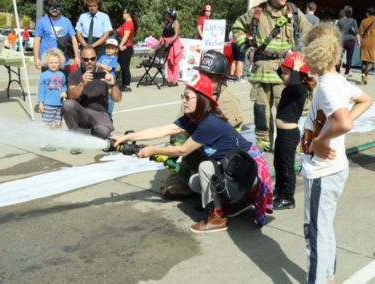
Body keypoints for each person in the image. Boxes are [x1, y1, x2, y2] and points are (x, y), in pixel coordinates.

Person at [111, 73, 272, 233]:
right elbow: (161, 131)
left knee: (205, 168)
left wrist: (152, 149)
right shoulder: (193, 118)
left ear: (201, 99)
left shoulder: (210, 123)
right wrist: (126, 137)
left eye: (188, 97)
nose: (183, 101)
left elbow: (183, 149)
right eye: (184, 96)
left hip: (248, 173)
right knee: (195, 183)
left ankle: (217, 218)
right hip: (233, 170)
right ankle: (235, 203)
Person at [300, 23, 372, 284]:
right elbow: (366, 99)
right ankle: (328, 277)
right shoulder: (336, 81)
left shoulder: (329, 86)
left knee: (314, 233)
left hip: (322, 172)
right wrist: (331, 133)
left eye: (306, 51)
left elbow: (345, 122)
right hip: (331, 170)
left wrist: (320, 140)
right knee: (323, 228)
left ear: (316, 54)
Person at [159, 50, 244, 200]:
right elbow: (179, 126)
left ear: (222, 79)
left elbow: (217, 140)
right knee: (169, 191)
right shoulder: (195, 94)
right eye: (203, 75)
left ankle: (211, 196)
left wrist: (179, 149)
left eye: (210, 77)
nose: (205, 80)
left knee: (210, 191)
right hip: (194, 155)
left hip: (220, 160)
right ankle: (198, 184)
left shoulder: (228, 102)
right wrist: (173, 148)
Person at [232, 0, 312, 153]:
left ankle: (289, 144)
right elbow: (237, 27)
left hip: (285, 71)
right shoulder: (257, 12)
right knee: (261, 110)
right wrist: (246, 48)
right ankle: (263, 143)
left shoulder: (294, 13)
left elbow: (311, 34)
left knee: (287, 111)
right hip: (262, 69)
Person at [273, 52, 316, 210]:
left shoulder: (300, 89)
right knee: (278, 163)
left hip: (289, 135)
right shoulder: (289, 88)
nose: (282, 76)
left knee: (287, 166)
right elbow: (287, 78)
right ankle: (279, 191)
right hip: (281, 134)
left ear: (297, 75)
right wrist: (283, 64)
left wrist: (296, 68)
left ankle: (288, 197)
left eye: (285, 73)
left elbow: (293, 83)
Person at [62, 46, 122, 155]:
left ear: (96, 59)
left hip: (100, 113)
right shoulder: (74, 74)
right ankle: (75, 140)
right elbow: (71, 96)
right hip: (82, 113)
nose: (89, 62)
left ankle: (91, 132)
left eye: (92, 59)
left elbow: (117, 99)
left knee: (103, 132)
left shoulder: (105, 74)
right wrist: (82, 83)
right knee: (68, 104)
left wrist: (113, 84)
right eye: (86, 59)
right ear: (81, 60)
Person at [34, 0, 80, 85]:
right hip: (47, 62)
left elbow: (73, 39)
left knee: (64, 87)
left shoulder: (66, 21)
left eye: (57, 7)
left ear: (61, 8)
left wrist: (77, 56)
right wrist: (36, 58)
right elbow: (37, 40)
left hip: (63, 62)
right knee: (48, 87)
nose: (54, 9)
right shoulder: (41, 22)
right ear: (48, 8)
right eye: (52, 7)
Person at [37, 48, 67, 152]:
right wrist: (40, 102)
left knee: (58, 124)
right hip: (48, 104)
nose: (53, 64)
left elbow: (64, 86)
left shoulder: (61, 75)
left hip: (59, 104)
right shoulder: (44, 75)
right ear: (46, 62)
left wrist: (64, 91)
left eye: (56, 62)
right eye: (51, 62)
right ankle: (43, 143)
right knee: (48, 125)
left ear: (60, 63)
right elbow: (40, 90)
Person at [155, 8, 183, 87]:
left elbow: (176, 34)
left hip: (173, 43)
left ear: (170, 15)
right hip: (166, 44)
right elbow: (162, 35)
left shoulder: (176, 22)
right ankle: (169, 80)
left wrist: (170, 41)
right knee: (169, 62)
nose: (165, 15)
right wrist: (158, 44)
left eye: (166, 13)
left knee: (175, 62)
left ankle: (175, 81)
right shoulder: (167, 23)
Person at [117, 7, 138, 92]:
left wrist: (120, 45)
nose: (123, 14)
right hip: (126, 47)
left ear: (128, 14)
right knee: (123, 67)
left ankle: (128, 86)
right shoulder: (128, 23)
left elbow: (126, 36)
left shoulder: (128, 23)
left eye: (124, 13)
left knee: (125, 68)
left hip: (126, 48)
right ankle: (124, 84)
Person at [336, 6, 360, 77]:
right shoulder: (353, 20)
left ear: (344, 12)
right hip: (351, 41)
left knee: (339, 57)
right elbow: (356, 31)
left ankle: (337, 72)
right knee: (349, 58)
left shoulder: (340, 20)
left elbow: (337, 31)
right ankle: (347, 73)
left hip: (342, 40)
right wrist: (358, 41)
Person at [96, 38, 118, 117]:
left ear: (116, 50)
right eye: (108, 48)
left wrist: (102, 65)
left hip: (109, 79)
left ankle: (109, 114)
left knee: (110, 97)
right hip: (101, 78)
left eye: (112, 48)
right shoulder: (103, 56)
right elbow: (97, 64)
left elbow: (110, 68)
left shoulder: (114, 58)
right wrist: (103, 65)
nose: (109, 50)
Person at [359, 6, 375, 85]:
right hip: (373, 43)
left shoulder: (363, 21)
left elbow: (361, 33)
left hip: (365, 42)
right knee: (372, 62)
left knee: (364, 61)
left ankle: (363, 78)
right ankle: (365, 74)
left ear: (368, 14)